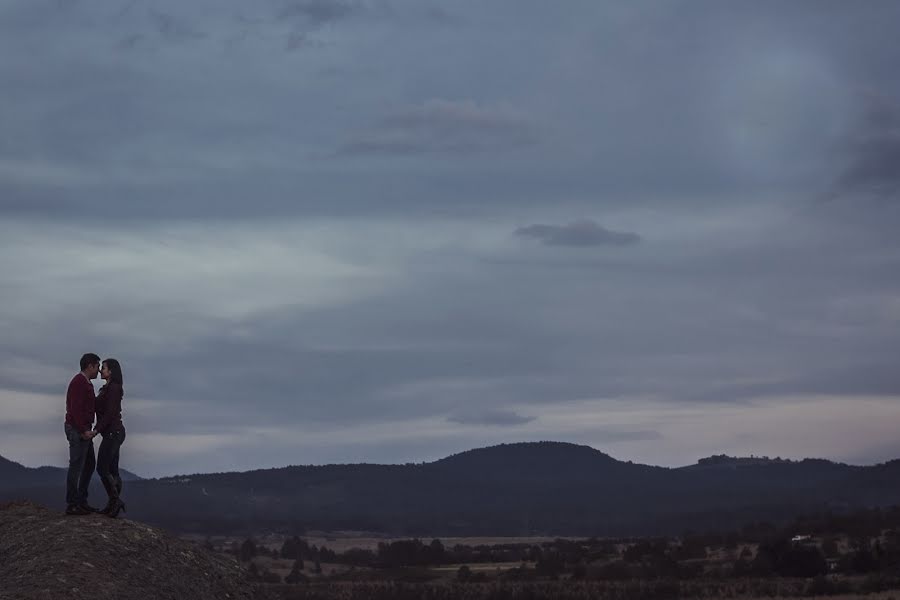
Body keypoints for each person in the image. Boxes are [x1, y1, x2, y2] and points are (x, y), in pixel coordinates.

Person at [64, 353, 100, 515]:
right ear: (90, 366)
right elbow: (75, 409)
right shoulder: (79, 382)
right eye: (97, 366)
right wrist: (83, 430)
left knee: (89, 464)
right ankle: (73, 504)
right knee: (76, 466)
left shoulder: (85, 383)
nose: (98, 370)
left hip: (82, 429)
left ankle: (81, 500)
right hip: (78, 430)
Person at [94, 358, 127, 518]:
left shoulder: (113, 388)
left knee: (102, 468)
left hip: (114, 433)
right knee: (112, 470)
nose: (101, 370)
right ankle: (112, 503)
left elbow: (110, 413)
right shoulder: (107, 388)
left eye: (104, 368)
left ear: (111, 371)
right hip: (113, 433)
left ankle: (115, 501)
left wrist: (96, 430)